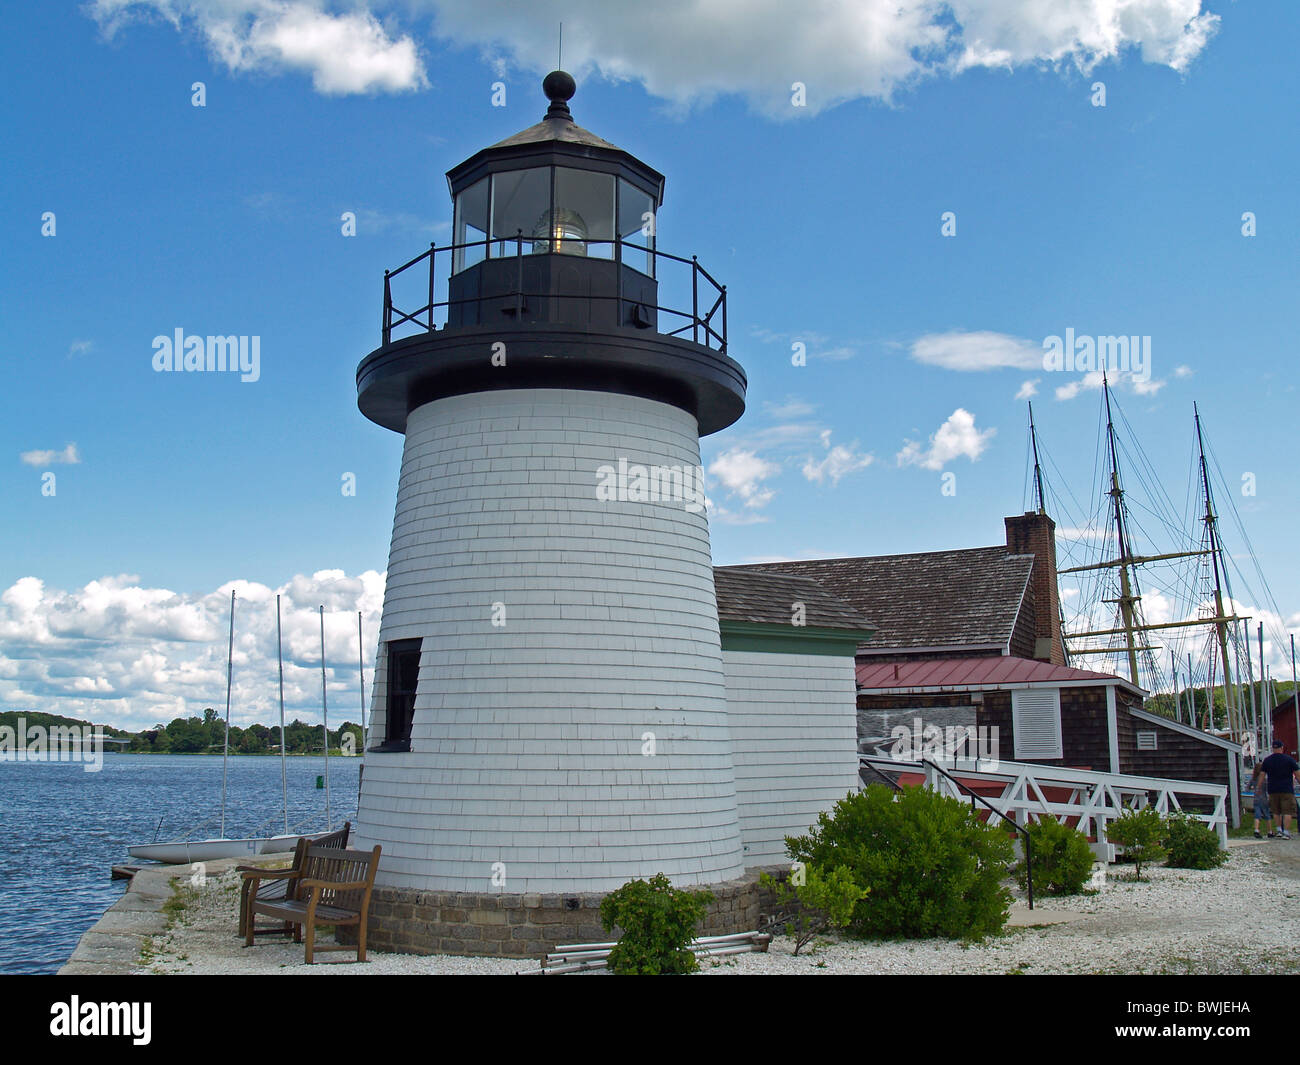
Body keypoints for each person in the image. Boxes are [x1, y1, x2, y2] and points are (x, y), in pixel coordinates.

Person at [1256, 740, 1300, 840]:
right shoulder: (1289, 760)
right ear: (1282, 748)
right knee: (1287, 811)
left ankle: (1279, 830)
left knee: (1276, 811)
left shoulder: (1267, 760)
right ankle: (1286, 832)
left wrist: (1258, 788)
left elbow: (1262, 775)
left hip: (1272, 789)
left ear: (1273, 748)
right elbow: (1297, 775)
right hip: (1286, 789)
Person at [1250, 769, 1273, 839]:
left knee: (1257, 815)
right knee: (1267, 815)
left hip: (1256, 799)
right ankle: (1270, 832)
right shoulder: (1265, 780)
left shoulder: (1253, 779)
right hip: (1264, 799)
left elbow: (1248, 788)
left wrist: (1253, 788)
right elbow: (1268, 790)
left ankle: (1256, 830)